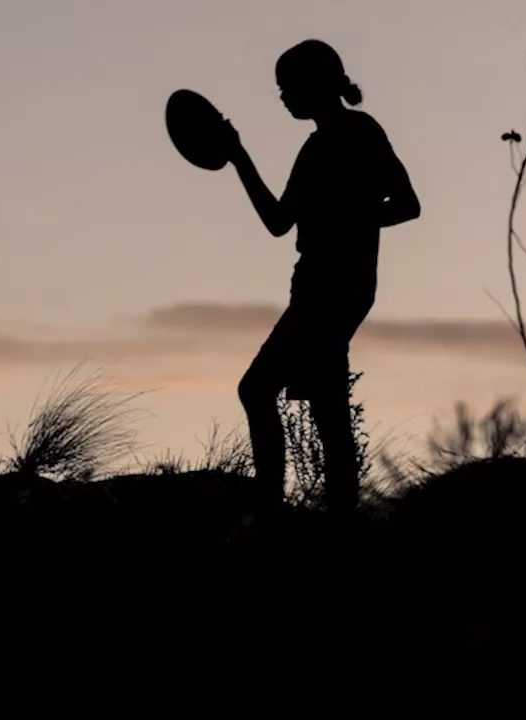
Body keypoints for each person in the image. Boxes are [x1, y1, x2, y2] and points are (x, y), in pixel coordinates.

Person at [220, 39, 420, 524]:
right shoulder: (312, 148)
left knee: (261, 389)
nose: (284, 96)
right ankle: (334, 517)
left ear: (318, 84)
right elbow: (277, 221)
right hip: (314, 284)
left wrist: (347, 217)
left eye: (289, 86)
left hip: (339, 284)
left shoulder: (360, 131)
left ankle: (279, 508)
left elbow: (407, 204)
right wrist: (238, 156)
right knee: (324, 400)